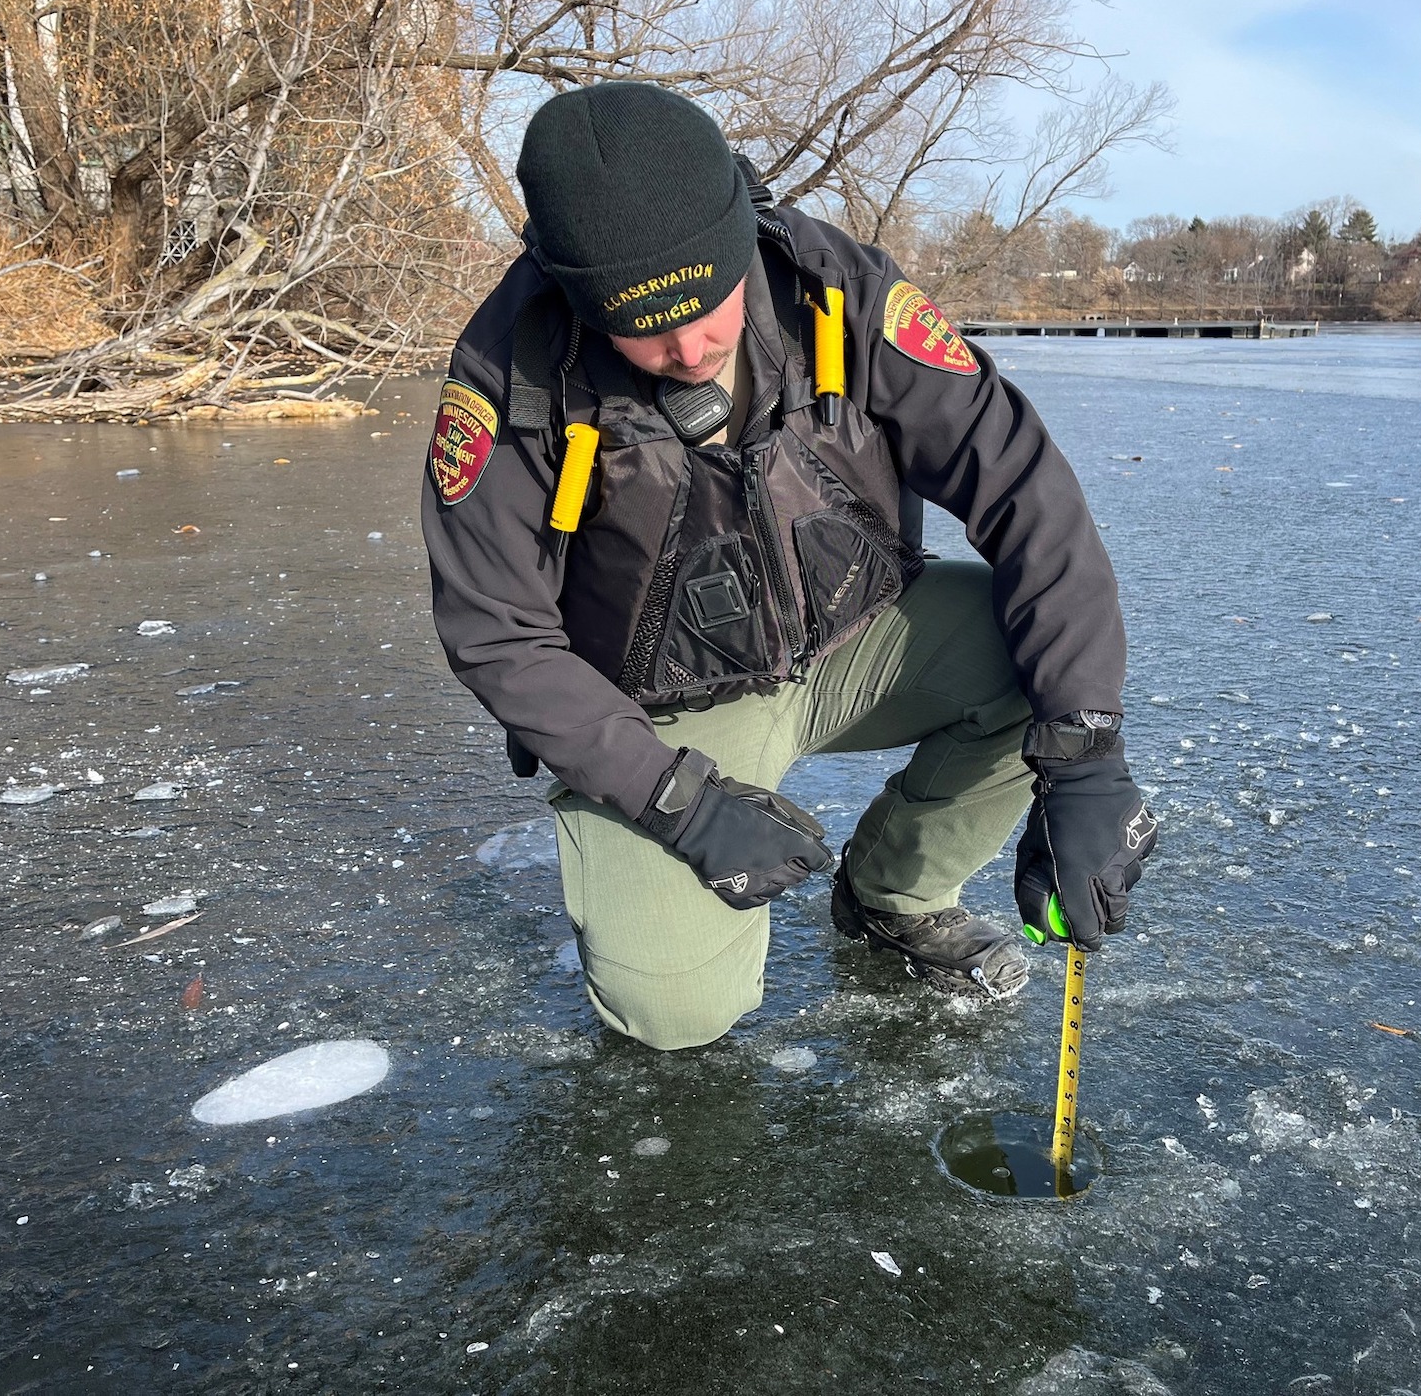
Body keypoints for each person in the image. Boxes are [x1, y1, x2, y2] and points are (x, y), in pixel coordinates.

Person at [423, 81, 1156, 1051]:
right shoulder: (506, 379)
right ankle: (663, 879)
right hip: (660, 715)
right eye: (641, 327)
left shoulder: (837, 291)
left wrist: (1088, 756)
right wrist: (673, 801)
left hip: (854, 636)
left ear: (741, 237)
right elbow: (497, 635)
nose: (687, 349)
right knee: (674, 1017)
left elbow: (1024, 491)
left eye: (706, 306)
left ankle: (890, 895)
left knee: (1034, 666)